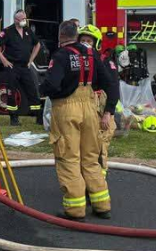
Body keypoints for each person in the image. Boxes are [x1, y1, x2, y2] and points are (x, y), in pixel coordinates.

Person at [41, 21, 118, 220]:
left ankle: (75, 210)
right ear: (76, 35)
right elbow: (108, 83)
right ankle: (102, 206)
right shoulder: (92, 54)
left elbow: (51, 84)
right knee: (91, 158)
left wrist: (41, 91)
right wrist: (109, 111)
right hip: (90, 108)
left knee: (68, 158)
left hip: (66, 109)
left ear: (61, 36)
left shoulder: (60, 56)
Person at [0, 9, 41, 126]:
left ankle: (38, 116)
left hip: (25, 66)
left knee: (32, 90)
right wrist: (3, 60)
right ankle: (14, 118)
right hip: (12, 66)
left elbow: (37, 44)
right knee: (11, 92)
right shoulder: (8, 31)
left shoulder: (27, 30)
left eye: (25, 18)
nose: (24, 21)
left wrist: (31, 60)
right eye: (22, 19)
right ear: (16, 20)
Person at [79, 24, 116, 167]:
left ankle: (100, 176)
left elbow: (113, 89)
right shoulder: (75, 61)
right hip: (81, 104)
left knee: (100, 142)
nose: (86, 44)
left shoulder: (105, 62)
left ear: (96, 44)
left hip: (98, 104)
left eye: (89, 41)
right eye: (83, 40)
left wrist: (107, 113)